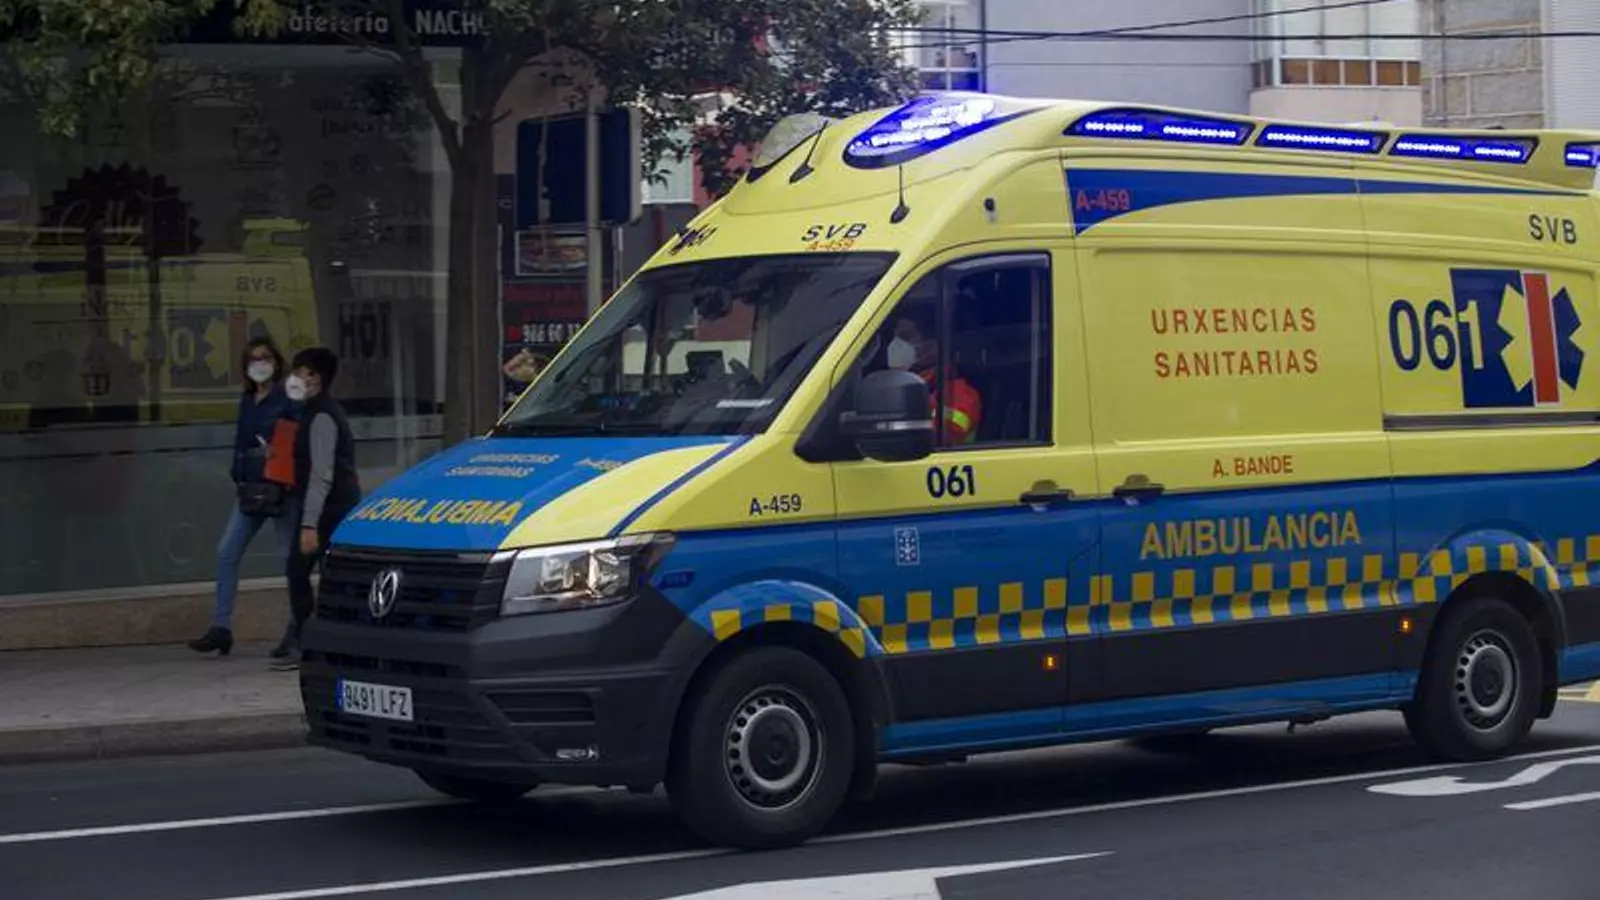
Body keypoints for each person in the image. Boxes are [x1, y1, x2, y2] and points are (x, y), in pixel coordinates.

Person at [189, 337, 299, 658]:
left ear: (277, 362)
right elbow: (241, 440)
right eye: (254, 359)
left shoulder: (287, 395)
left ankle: (297, 627)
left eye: (266, 358)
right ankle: (220, 627)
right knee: (227, 551)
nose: (260, 364)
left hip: (281, 488)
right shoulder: (249, 399)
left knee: (288, 558)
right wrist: (236, 474)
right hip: (251, 488)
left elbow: (296, 435)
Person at [272, 347, 362, 671]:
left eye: (301, 373)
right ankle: (316, 642)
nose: (294, 379)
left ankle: (312, 643)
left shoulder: (323, 416)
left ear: (317, 378)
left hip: (330, 510)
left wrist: (309, 525)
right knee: (313, 574)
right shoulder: (312, 412)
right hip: (326, 508)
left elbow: (321, 474)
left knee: (301, 571)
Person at [886, 309, 983, 445]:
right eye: (894, 337)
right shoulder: (899, 385)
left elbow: (944, 437)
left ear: (932, 346)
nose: (895, 345)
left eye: (905, 337)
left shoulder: (960, 393)